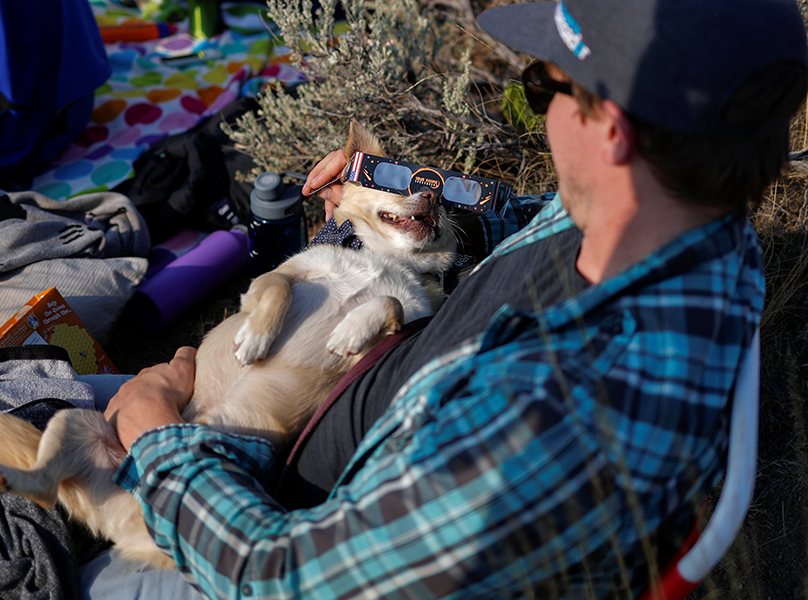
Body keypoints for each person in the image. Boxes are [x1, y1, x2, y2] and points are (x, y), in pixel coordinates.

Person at [92, 0, 808, 597]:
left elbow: (285, 576)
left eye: (542, 87)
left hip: (261, 504)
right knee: (52, 394)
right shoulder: (669, 217)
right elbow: (527, 221)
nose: (540, 109)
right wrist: (404, 198)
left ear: (613, 133)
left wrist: (162, 442)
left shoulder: (555, 413)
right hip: (305, 392)